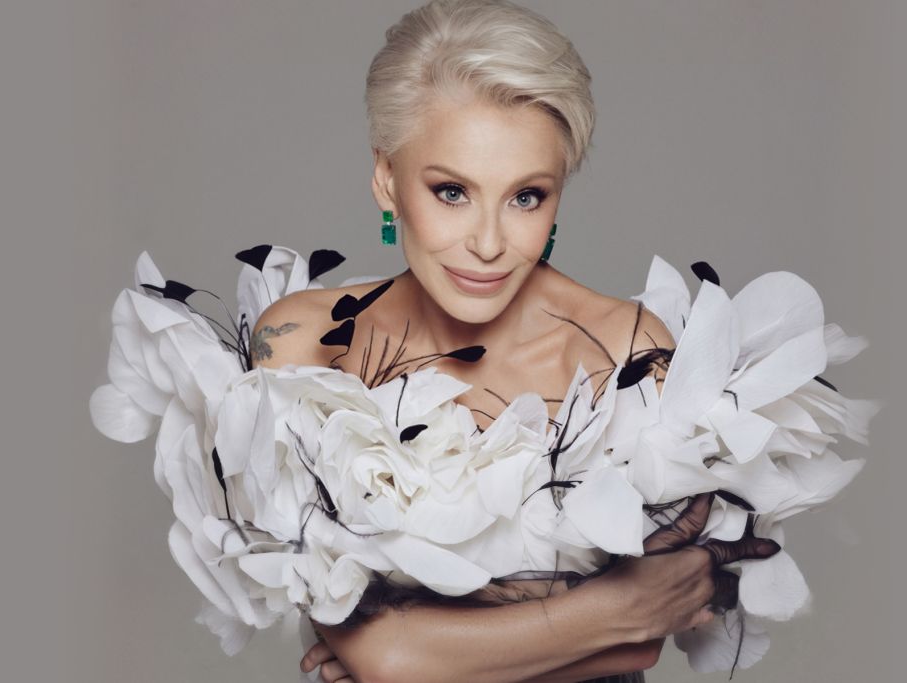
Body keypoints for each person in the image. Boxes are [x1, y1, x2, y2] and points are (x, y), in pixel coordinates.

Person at [250, 1, 782, 681]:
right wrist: (608, 614)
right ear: (387, 181)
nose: (489, 243)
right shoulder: (307, 348)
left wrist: (417, 653)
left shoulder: (624, 354)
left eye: (526, 196)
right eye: (452, 192)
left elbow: (652, 631)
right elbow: (382, 657)